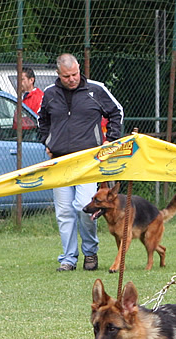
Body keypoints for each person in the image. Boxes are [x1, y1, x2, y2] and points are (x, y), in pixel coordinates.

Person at [39, 53, 123, 272]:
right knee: (64, 212)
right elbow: (42, 120)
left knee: (84, 206)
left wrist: (110, 142)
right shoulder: (49, 94)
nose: (72, 79)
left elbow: (117, 112)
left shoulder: (96, 89)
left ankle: (90, 252)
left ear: (79, 70)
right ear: (59, 74)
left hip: (89, 161)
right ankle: (67, 259)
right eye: (67, 76)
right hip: (59, 162)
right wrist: (46, 141)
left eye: (75, 74)